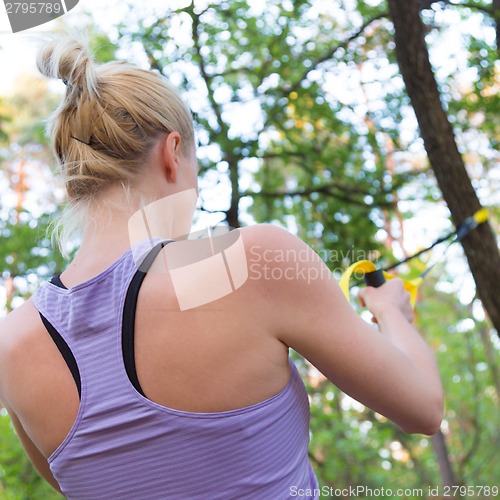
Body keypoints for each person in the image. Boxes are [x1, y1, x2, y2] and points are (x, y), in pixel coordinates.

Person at [0, 34, 443, 499]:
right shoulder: (253, 261)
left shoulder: (11, 347)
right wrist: (392, 312)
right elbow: (424, 409)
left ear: (74, 185)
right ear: (172, 154)